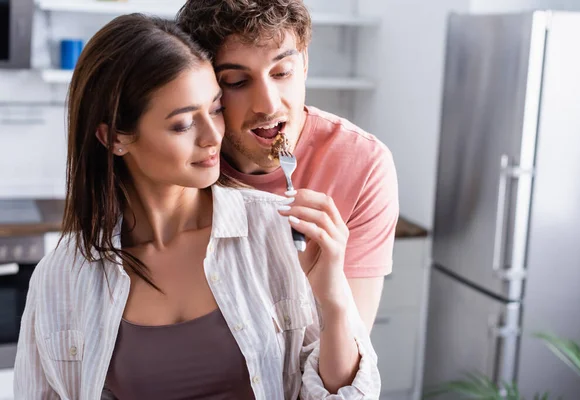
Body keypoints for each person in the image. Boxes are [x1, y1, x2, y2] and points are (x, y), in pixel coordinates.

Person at [13, 14, 380, 399]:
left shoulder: (279, 232)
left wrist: (334, 300)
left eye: (217, 109)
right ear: (116, 138)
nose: (212, 136)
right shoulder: (62, 277)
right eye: (183, 124)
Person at [176, 0, 400, 332]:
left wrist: (329, 288)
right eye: (237, 81)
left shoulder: (363, 164)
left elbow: (353, 353)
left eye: (282, 72)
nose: (268, 104)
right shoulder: (183, 160)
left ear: (305, 63)